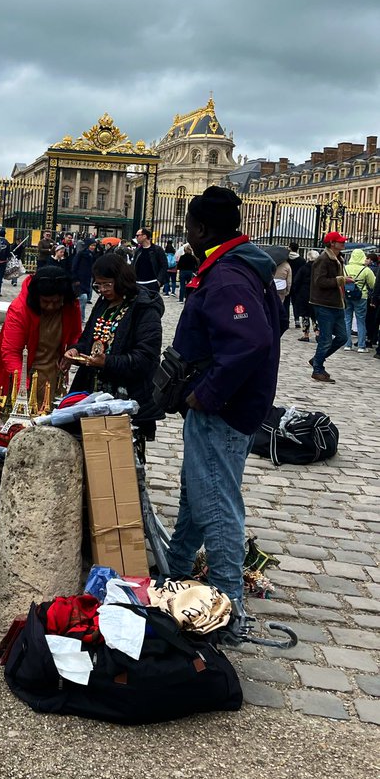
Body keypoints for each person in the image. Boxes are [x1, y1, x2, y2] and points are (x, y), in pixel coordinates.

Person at [165, 185, 281, 641]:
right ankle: (174, 571)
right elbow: (275, 326)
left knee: (217, 505)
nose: (187, 234)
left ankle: (228, 613)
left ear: (201, 227)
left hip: (223, 410)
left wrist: (207, 392)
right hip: (229, 405)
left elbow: (252, 341)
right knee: (196, 496)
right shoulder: (242, 265)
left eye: (190, 226)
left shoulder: (228, 277)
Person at [64, 252, 164, 439]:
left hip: (128, 397)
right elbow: (89, 340)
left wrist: (107, 362)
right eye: (98, 284)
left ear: (120, 279)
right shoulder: (103, 303)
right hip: (93, 393)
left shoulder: (144, 308)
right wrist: (76, 350)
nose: (101, 289)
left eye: (107, 284)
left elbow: (146, 358)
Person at [0, 267, 82, 405]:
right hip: (18, 373)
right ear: (36, 298)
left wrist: (74, 349)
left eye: (57, 302)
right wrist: (24, 386)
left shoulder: (70, 305)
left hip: (51, 371)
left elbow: (76, 334)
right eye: (46, 302)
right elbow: (11, 352)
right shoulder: (19, 309)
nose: (51, 307)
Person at [309, 231, 349, 383]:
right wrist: (340, 280)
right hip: (324, 303)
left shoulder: (338, 258)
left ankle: (317, 359)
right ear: (332, 243)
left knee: (342, 337)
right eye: (340, 241)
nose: (343, 243)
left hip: (337, 303)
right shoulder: (323, 259)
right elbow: (320, 281)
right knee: (325, 339)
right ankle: (317, 369)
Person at [343, 248, 375, 352]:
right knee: (361, 320)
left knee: (347, 319)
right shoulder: (366, 270)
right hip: (361, 296)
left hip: (347, 295)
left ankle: (347, 344)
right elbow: (373, 284)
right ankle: (361, 345)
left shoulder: (345, 268)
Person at [291, 250, 319, 343]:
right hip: (316, 294)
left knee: (305, 315)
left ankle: (306, 334)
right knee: (315, 315)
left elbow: (296, 281)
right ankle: (317, 332)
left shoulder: (304, 268)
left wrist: (297, 291)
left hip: (304, 293)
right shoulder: (319, 269)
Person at [69, 237, 97, 324]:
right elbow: (74, 267)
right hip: (79, 280)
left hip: (87, 280)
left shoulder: (92, 255)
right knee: (83, 299)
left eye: (94, 246)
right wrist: (75, 278)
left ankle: (80, 318)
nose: (93, 247)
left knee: (83, 300)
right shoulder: (81, 254)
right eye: (92, 245)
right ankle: (80, 318)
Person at [131, 227, 167, 294]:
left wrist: (159, 281)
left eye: (137, 235)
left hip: (152, 283)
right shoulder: (138, 251)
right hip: (138, 283)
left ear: (144, 236)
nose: (136, 238)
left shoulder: (157, 250)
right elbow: (133, 265)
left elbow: (164, 265)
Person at [287, 243, 304, 327]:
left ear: (290, 248)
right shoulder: (301, 260)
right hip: (297, 283)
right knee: (295, 302)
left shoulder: (286, 259)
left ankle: (286, 319)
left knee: (286, 302)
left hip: (287, 282)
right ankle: (297, 320)